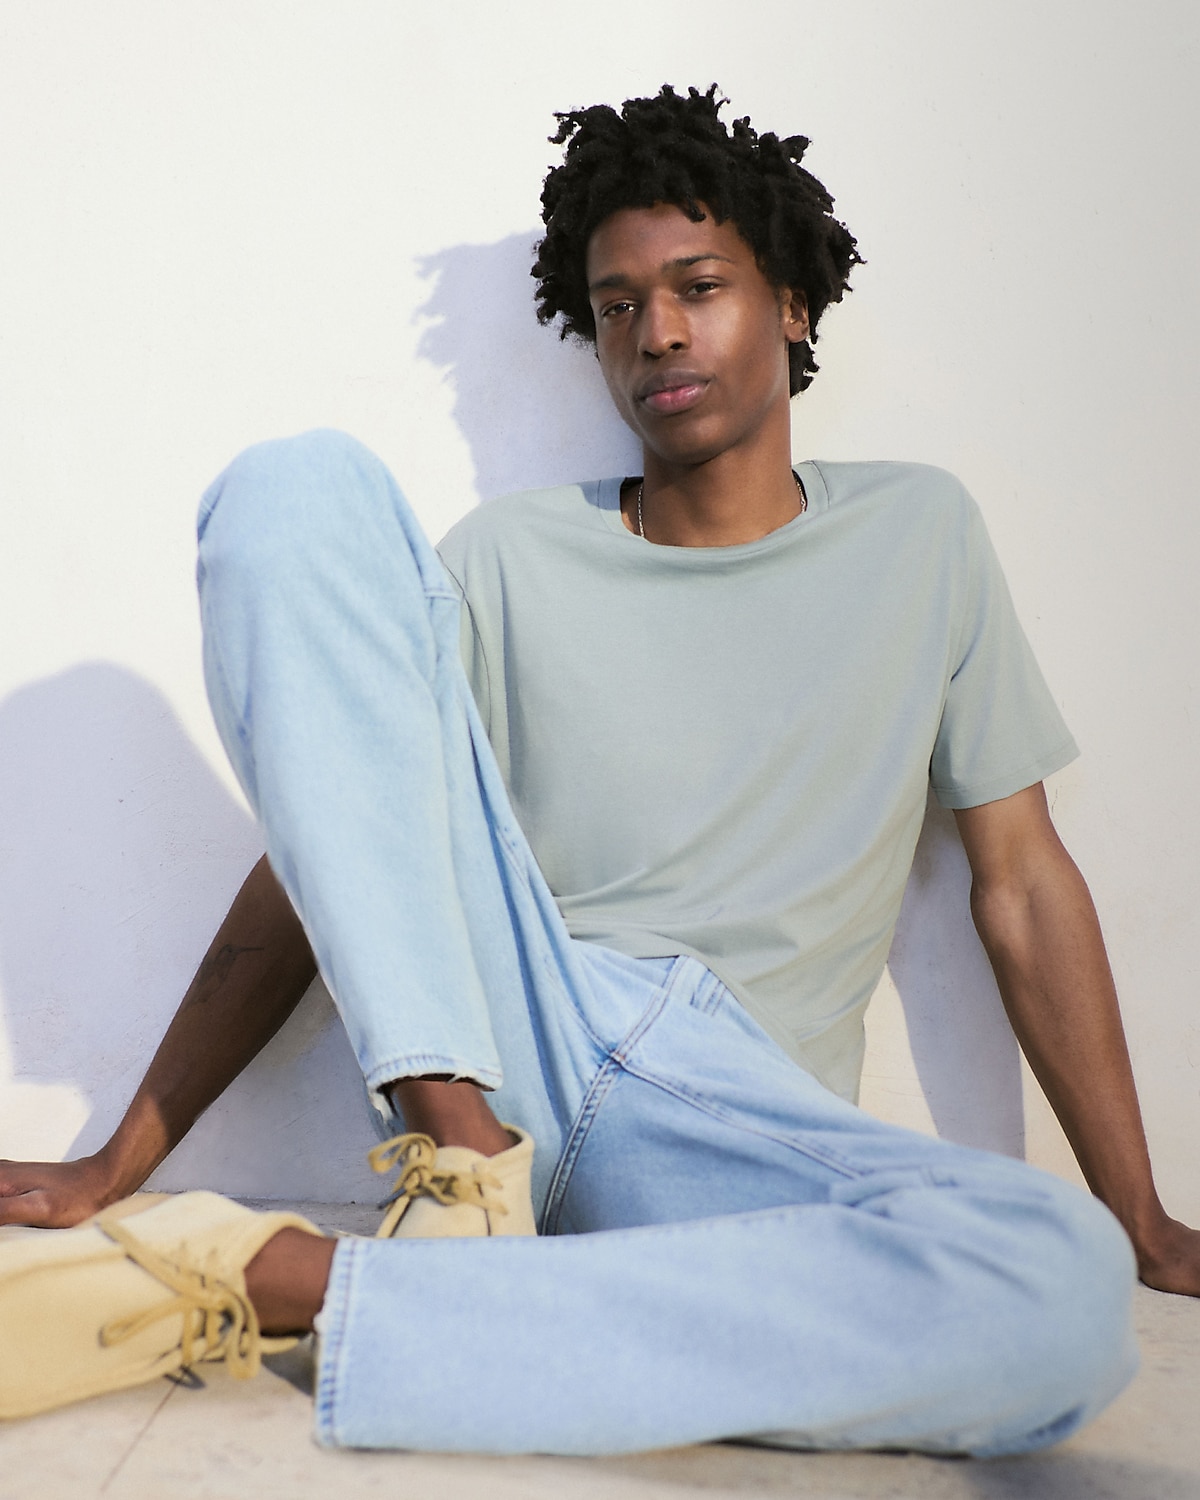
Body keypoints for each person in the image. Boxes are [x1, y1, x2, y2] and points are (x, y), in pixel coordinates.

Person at [1, 83, 1196, 1455]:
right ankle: (464, 1168)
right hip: (526, 1029)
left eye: (700, 285)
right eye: (618, 304)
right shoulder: (514, 559)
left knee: (1056, 1277)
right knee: (294, 489)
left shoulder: (924, 535)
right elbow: (332, 857)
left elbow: (1025, 884)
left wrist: (1140, 1215)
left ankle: (299, 1285)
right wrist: (119, 1157)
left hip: (742, 1117)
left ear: (794, 305)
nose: (659, 331)